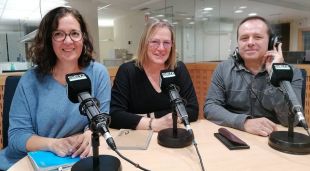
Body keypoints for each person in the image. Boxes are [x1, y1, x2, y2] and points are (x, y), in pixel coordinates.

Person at [0, 7, 111, 170]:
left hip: (74, 160)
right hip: (25, 161)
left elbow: (101, 117)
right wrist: (53, 144)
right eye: (59, 34)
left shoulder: (98, 73)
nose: (68, 41)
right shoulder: (30, 80)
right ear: (48, 40)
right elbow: (17, 137)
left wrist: (89, 133)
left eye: (74, 33)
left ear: (83, 38)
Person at [204, 16, 303, 137]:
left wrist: (276, 74)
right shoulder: (223, 69)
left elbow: (290, 121)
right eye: (244, 38)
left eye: (258, 37)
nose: (250, 42)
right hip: (237, 135)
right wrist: (244, 122)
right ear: (238, 43)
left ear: (272, 42)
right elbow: (210, 108)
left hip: (274, 138)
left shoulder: (293, 73)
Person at [109, 19, 198, 132]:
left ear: (172, 46)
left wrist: (146, 116)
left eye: (166, 43)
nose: (161, 48)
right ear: (144, 44)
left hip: (172, 133)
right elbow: (114, 115)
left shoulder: (178, 69)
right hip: (139, 138)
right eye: (155, 42)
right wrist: (154, 123)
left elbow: (192, 110)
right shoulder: (127, 71)